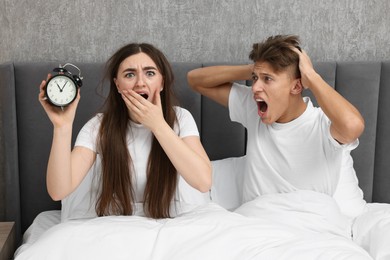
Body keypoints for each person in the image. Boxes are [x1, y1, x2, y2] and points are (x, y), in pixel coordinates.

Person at [187, 34, 365, 212]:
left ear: (296, 87)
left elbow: (352, 126)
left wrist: (311, 76)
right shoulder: (252, 107)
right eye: (255, 78)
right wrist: (254, 70)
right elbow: (195, 80)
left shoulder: (322, 125)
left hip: (311, 223)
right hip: (259, 221)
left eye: (268, 79)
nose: (255, 87)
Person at [39, 43, 212, 219]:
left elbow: (203, 182)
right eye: (130, 74)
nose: (140, 83)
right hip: (118, 224)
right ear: (117, 85)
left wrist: (158, 125)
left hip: (171, 220)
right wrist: (62, 126)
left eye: (150, 73)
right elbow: (58, 192)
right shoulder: (98, 126)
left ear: (161, 83)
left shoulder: (181, 118)